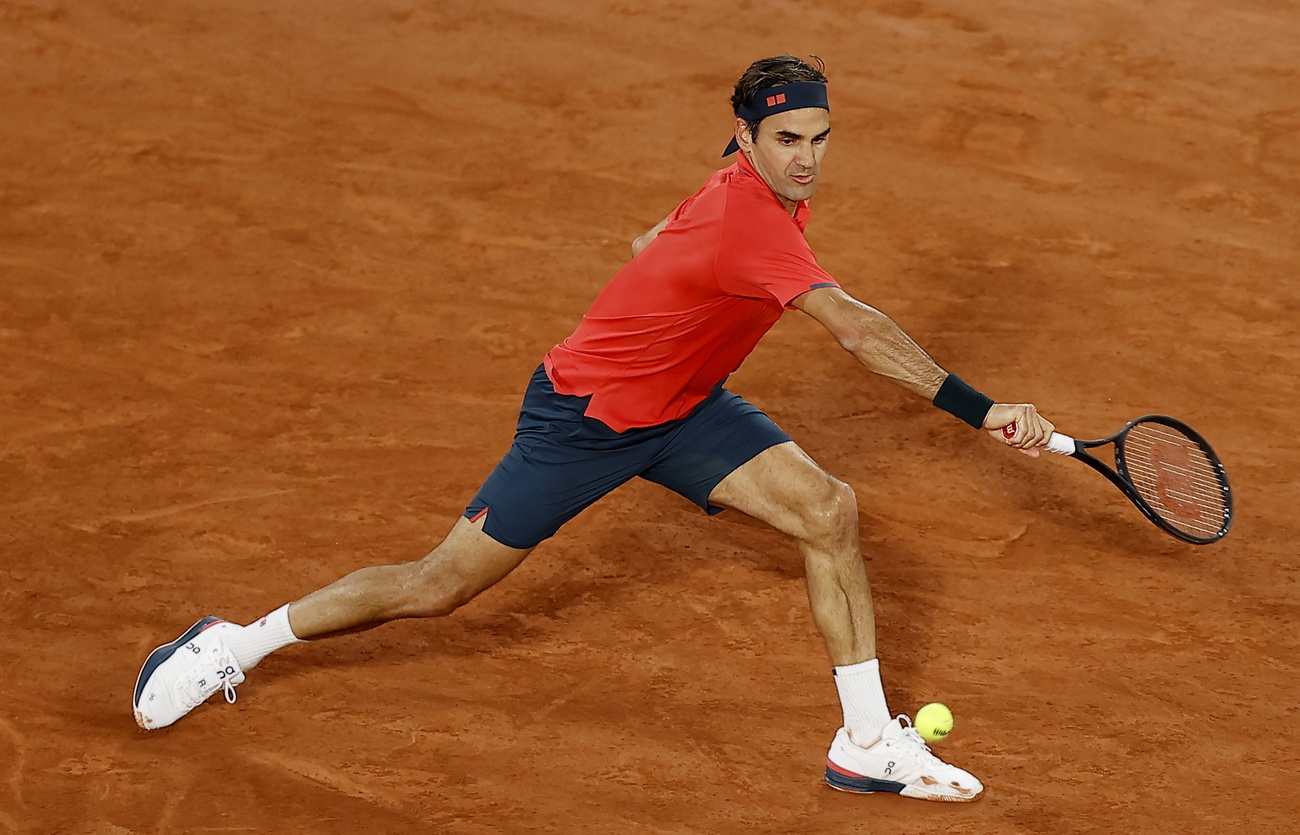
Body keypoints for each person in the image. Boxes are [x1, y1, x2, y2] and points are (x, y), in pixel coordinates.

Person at [132, 54, 1053, 803]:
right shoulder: (753, 224)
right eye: (786, 140)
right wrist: (983, 409)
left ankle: (864, 742)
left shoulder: (748, 189)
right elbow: (853, 326)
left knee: (828, 511)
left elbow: (648, 243)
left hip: (686, 408)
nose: (806, 157)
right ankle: (230, 644)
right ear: (747, 138)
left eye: (818, 137)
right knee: (438, 584)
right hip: (584, 421)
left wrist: (670, 313)